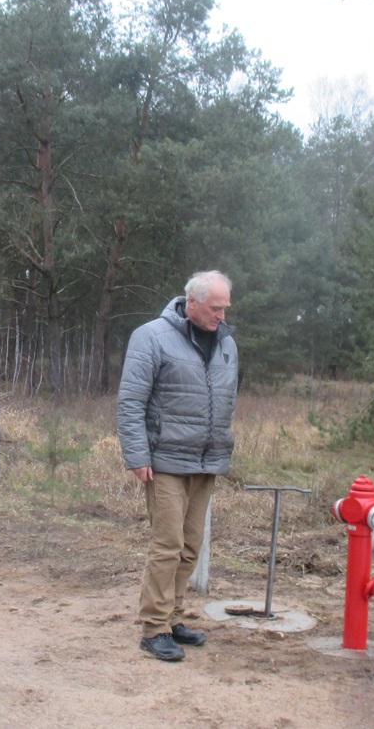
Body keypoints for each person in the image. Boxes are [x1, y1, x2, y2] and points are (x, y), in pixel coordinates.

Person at [116, 270, 238, 662]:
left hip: (206, 461)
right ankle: (153, 629)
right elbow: (131, 401)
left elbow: (226, 400)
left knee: (190, 546)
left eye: (225, 308)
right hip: (164, 460)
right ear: (194, 302)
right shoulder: (151, 336)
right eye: (216, 308)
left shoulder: (227, 343)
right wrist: (137, 456)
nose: (222, 316)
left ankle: (173, 617)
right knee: (167, 545)